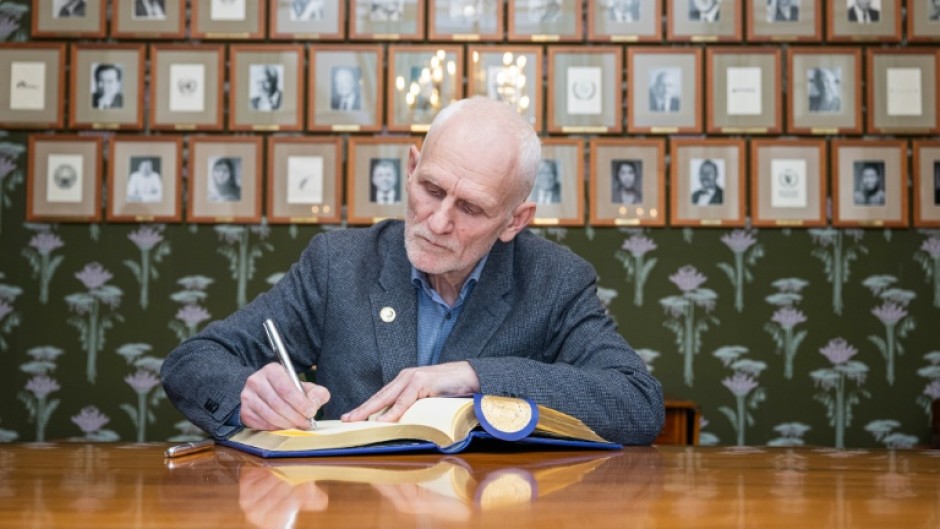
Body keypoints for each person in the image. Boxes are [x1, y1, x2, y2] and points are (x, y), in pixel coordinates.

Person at [161, 96, 665, 446]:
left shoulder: (554, 280)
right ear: (411, 167)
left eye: (470, 209)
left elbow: (637, 404)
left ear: (515, 220)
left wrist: (472, 377)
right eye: (431, 189)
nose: (438, 221)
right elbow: (194, 360)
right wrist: (248, 397)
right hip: (349, 509)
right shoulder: (338, 264)